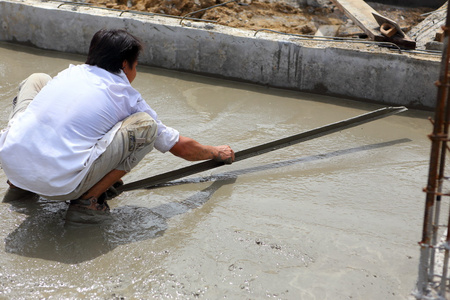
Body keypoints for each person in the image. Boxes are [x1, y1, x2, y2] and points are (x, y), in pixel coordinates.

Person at [0, 28, 235, 214]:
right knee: (146, 127)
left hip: (12, 165)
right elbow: (178, 146)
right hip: (61, 186)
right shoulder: (126, 96)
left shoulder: (70, 73)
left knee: (38, 79)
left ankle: (19, 186)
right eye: (136, 65)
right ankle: (87, 202)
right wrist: (216, 152)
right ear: (125, 64)